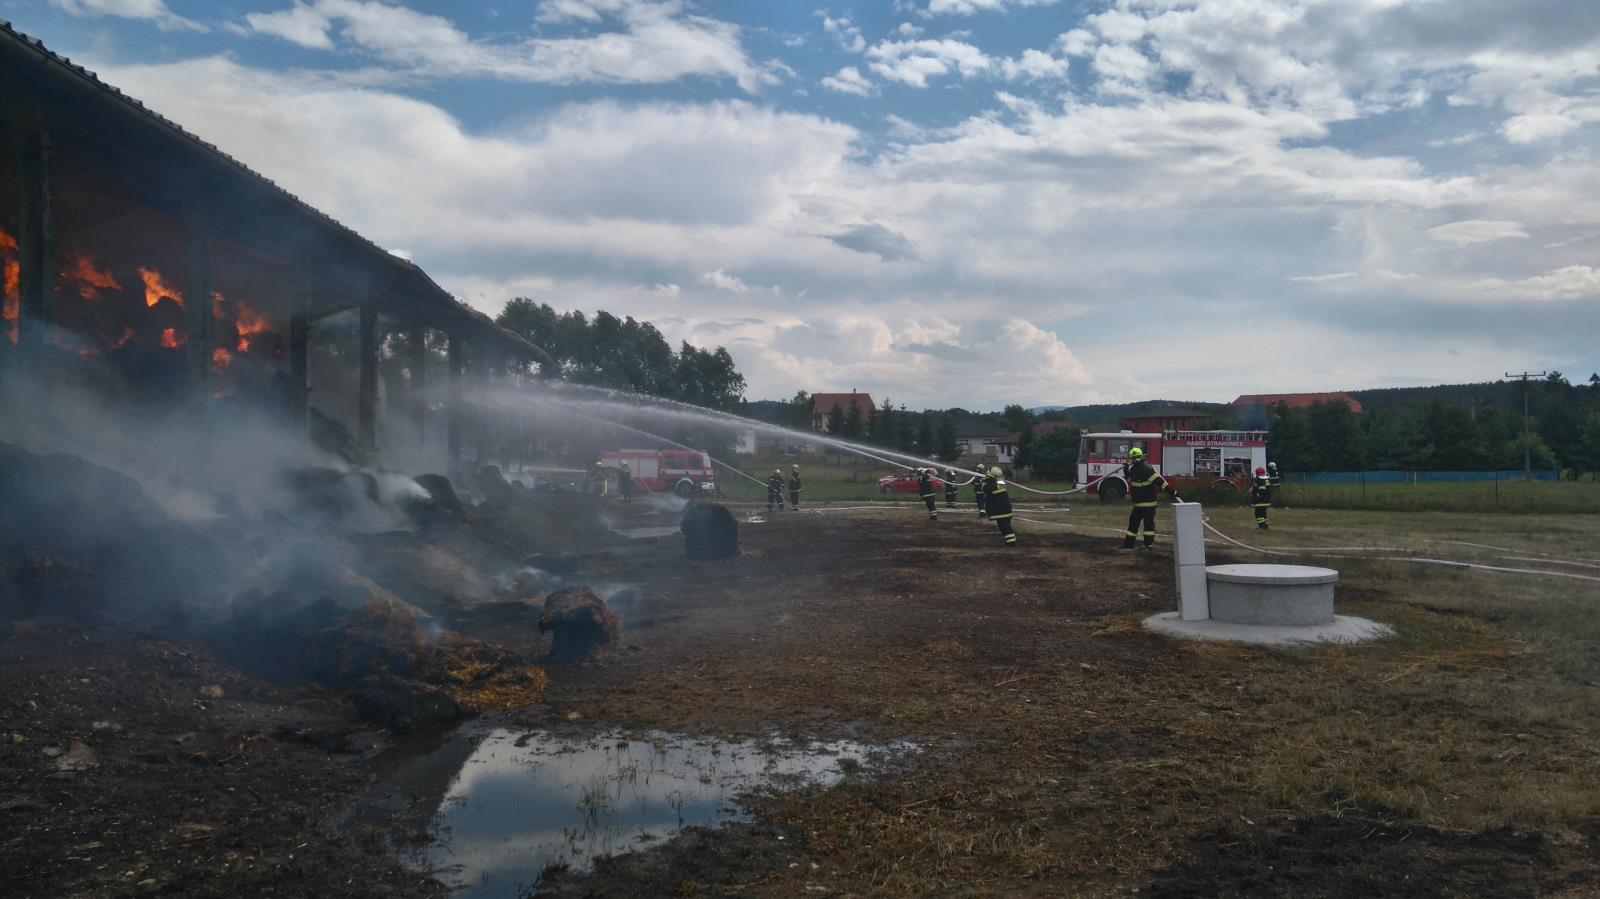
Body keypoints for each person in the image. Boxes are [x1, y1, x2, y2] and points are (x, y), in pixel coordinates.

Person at [1121, 447, 1177, 550]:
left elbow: (1160, 482)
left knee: (1134, 525)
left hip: (1141, 504)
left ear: (1132, 459)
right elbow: (1161, 483)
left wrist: (1126, 469)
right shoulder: (1147, 469)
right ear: (1141, 456)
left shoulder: (1136, 469)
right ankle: (1147, 545)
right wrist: (1172, 492)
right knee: (1147, 525)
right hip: (1146, 504)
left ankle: (1129, 545)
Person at [984, 466, 1017, 545]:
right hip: (1003, 510)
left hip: (1002, 511)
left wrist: (984, 481)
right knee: (1003, 526)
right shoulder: (999, 483)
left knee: (1005, 527)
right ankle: (1009, 541)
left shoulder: (994, 485)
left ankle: (1011, 542)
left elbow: (985, 489)